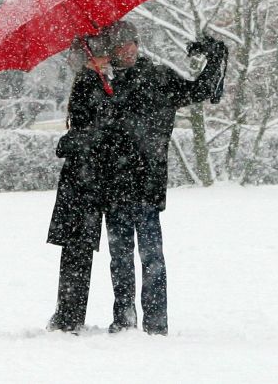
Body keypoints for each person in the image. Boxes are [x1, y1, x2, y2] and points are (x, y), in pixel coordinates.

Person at [102, 20, 228, 335]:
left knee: (151, 256)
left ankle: (156, 323)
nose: (127, 49)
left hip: (148, 183)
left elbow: (198, 90)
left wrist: (214, 59)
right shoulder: (103, 83)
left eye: (131, 43)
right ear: (112, 50)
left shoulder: (157, 77)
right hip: (113, 184)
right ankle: (124, 319)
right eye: (120, 44)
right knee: (120, 258)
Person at [45, 33, 118, 333]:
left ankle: (68, 313)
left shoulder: (91, 83)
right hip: (83, 181)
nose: (108, 60)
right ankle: (69, 315)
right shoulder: (91, 84)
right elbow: (93, 130)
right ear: (93, 57)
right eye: (104, 55)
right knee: (79, 248)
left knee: (77, 249)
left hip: (81, 179)